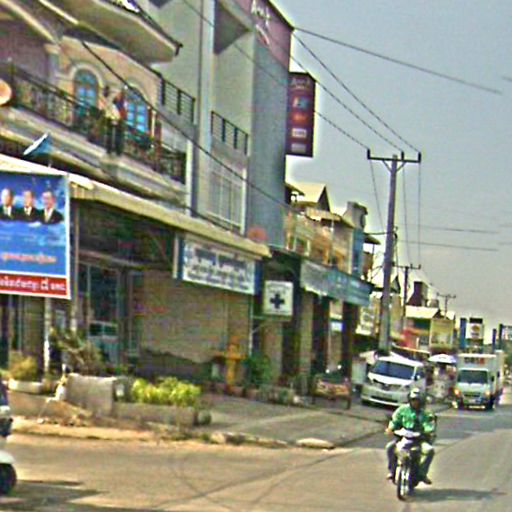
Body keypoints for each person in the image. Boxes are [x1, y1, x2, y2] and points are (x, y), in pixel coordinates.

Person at [385, 388, 436, 485]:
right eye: (413, 400)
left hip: (420, 439)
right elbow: (395, 420)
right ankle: (392, 471)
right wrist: (391, 428)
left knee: (429, 450)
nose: (415, 402)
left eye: (417, 400)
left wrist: (428, 431)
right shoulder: (402, 410)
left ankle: (422, 474)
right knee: (390, 447)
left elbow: (429, 424)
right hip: (403, 438)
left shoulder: (426, 413)